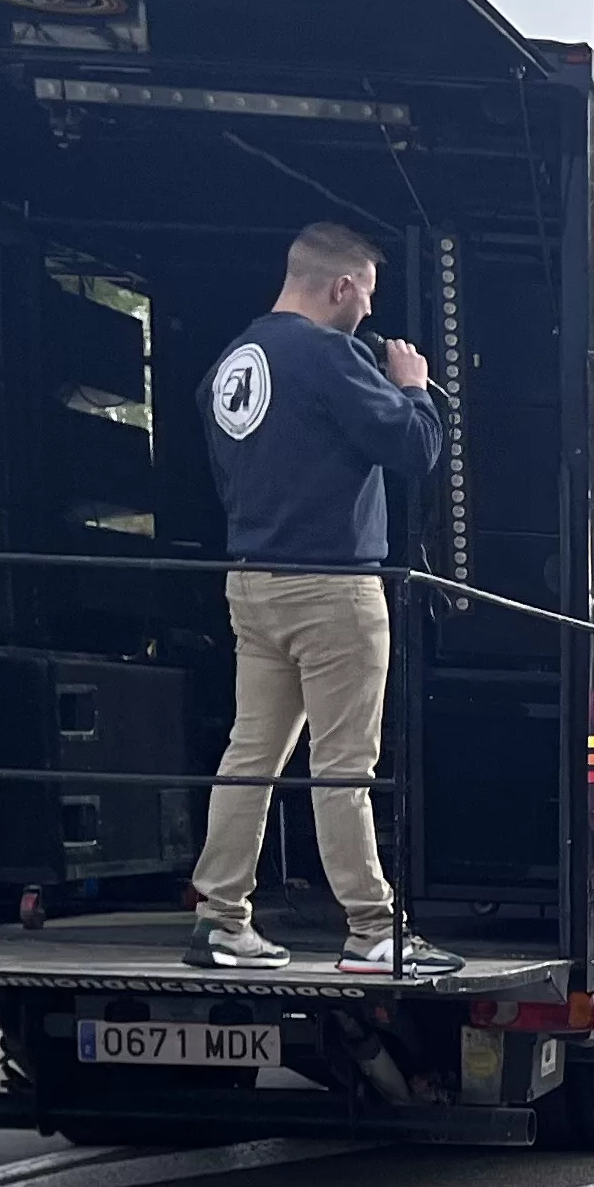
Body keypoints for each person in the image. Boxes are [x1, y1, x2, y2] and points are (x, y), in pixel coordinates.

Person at [187, 221, 457, 978]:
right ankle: (373, 930)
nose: (368, 314)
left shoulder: (231, 362)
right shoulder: (326, 355)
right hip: (333, 586)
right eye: (365, 295)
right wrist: (411, 386)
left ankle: (220, 918)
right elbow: (413, 451)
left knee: (250, 756)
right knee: (343, 766)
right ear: (340, 286)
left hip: (253, 579)